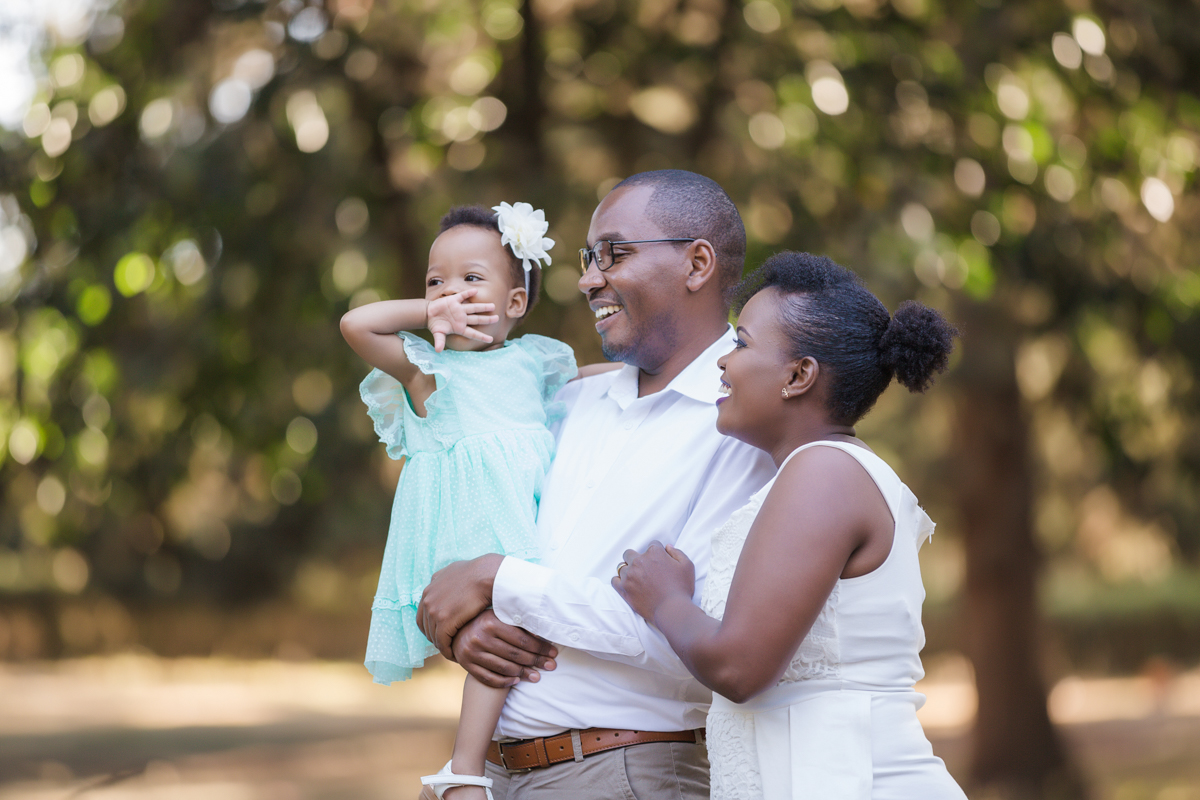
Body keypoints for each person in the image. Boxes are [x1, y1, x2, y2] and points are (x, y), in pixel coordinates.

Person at [416, 171, 777, 799]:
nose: (587, 278)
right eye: (588, 257)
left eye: (614, 254)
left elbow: (698, 647)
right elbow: (485, 531)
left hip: (623, 774)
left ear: (697, 263)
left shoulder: (743, 429)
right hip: (488, 775)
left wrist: (497, 579)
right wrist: (470, 628)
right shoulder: (568, 401)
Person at [612, 251, 968, 799]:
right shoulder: (820, 471)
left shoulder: (823, 471)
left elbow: (740, 667)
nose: (723, 363)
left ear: (799, 375)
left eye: (741, 343)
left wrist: (664, 601)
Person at [341, 202, 614, 800]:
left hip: (527, 514)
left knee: (519, 636)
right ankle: (463, 768)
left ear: (514, 304)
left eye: (471, 280)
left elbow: (600, 381)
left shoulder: (535, 360)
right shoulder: (427, 369)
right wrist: (426, 313)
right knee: (497, 626)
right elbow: (357, 325)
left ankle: (477, 764)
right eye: (436, 281)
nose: (450, 294)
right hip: (467, 525)